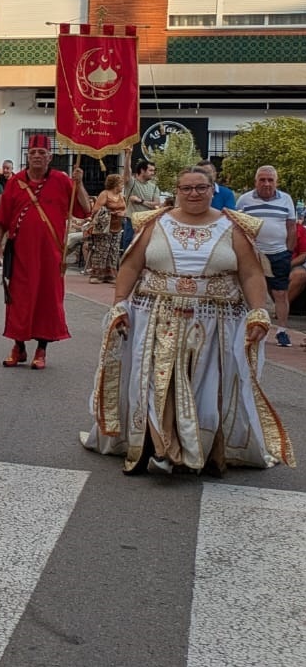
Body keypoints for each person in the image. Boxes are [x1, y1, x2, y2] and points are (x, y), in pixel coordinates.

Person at [82, 166, 293, 475]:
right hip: (154, 317)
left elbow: (250, 272)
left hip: (215, 324)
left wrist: (259, 312)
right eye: (186, 188)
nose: (194, 193)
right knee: (157, 384)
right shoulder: (154, 223)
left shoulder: (233, 226)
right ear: (176, 192)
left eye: (201, 188)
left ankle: (201, 451)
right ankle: (163, 450)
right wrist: (119, 305)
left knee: (206, 390)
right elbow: (131, 266)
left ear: (213, 189)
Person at [0, 137, 90, 369]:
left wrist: (80, 184)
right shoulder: (15, 182)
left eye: (42, 152)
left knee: (48, 300)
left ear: (49, 157)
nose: (37, 155)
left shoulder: (62, 180)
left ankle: (41, 350)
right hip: (20, 253)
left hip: (51, 254)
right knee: (19, 299)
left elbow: (85, 209)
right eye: (33, 152)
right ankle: (19, 347)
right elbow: (2, 220)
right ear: (28, 156)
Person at [236, 164, 298, 347]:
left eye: (270, 180)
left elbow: (291, 227)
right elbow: (237, 227)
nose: (266, 183)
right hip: (252, 254)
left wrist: (288, 251)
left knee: (280, 293)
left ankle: (282, 331)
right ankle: (249, 326)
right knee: (249, 291)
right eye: (262, 179)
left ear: (276, 182)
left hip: (278, 253)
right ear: (256, 181)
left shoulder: (286, 199)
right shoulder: (244, 200)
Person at [83, 173, 125, 284]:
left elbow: (125, 208)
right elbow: (96, 209)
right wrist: (112, 213)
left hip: (117, 226)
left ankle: (110, 274)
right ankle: (97, 274)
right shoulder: (105, 194)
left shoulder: (121, 196)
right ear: (116, 184)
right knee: (102, 250)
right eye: (121, 184)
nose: (122, 186)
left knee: (113, 250)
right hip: (105, 227)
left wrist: (122, 213)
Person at [123, 158, 160, 252]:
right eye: (150, 170)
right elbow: (127, 171)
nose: (153, 173)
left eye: (153, 171)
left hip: (147, 222)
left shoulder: (154, 187)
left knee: (145, 248)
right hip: (132, 221)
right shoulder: (131, 183)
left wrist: (141, 201)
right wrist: (129, 155)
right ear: (142, 170)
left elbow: (156, 204)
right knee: (129, 247)